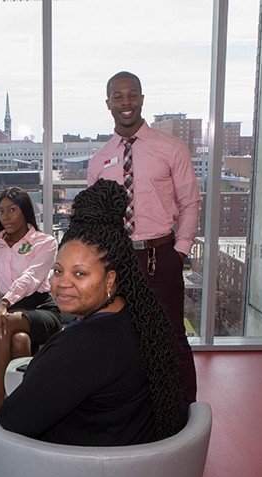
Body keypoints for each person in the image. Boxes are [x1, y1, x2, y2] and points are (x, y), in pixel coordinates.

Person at [0, 179, 186, 445]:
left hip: (88, 475)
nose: (62, 282)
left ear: (110, 279)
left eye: (80, 273)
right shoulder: (138, 319)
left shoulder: (83, 347)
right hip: (132, 463)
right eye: (58, 270)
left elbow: (11, 420)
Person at [87, 70, 202, 404]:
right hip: (115, 261)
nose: (126, 102)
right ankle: (134, 411)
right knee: (120, 340)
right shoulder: (99, 161)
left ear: (141, 98)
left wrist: (178, 252)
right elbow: (94, 217)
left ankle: (183, 415)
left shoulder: (171, 149)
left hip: (159, 256)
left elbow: (190, 202)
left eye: (132, 94)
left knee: (170, 338)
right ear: (108, 103)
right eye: (118, 96)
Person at [0, 187, 63, 413]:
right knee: (19, 340)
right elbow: (2, 280)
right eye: (1, 212)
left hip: (41, 309)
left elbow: (30, 279)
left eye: (12, 210)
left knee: (4, 321)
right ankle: (25, 405)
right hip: (12, 310)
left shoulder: (44, 242)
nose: (5, 217)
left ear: (25, 211)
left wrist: (4, 303)